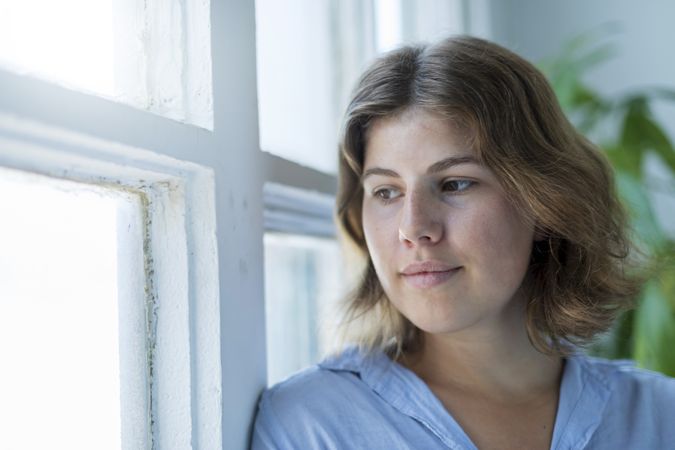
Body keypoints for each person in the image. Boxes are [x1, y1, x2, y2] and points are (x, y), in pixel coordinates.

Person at [250, 36, 675, 449]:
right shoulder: (308, 428)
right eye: (386, 191)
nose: (414, 228)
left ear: (545, 204)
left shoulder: (660, 416)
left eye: (455, 184)